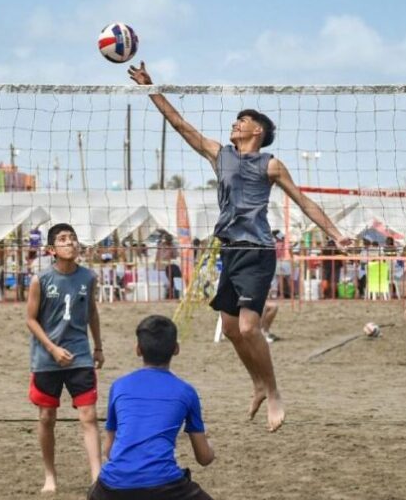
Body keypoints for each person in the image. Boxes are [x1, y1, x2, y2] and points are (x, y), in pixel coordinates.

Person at [129, 62, 350, 432]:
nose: (235, 123)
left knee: (249, 328)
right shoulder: (221, 154)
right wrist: (150, 89)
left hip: (259, 250)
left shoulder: (271, 165)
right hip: (230, 250)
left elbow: (303, 201)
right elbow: (181, 125)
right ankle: (258, 383)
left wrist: (335, 233)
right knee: (230, 328)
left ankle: (275, 392)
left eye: (241, 120)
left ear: (257, 130)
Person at [59, 315, 232, 500]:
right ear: (176, 349)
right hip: (164, 483)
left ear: (137, 349)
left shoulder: (120, 387)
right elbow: (203, 457)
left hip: (118, 479)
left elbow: (109, 450)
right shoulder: (186, 392)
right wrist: (212, 452)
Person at [26, 222, 104, 493]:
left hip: (80, 355)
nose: (70, 242)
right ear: (51, 249)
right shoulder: (41, 280)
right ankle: (50, 476)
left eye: (73, 238)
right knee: (47, 417)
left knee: (89, 416)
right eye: (63, 239)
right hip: (47, 358)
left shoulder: (88, 277)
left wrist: (98, 347)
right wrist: (52, 349)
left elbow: (92, 312)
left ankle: (97, 476)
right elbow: (30, 320)